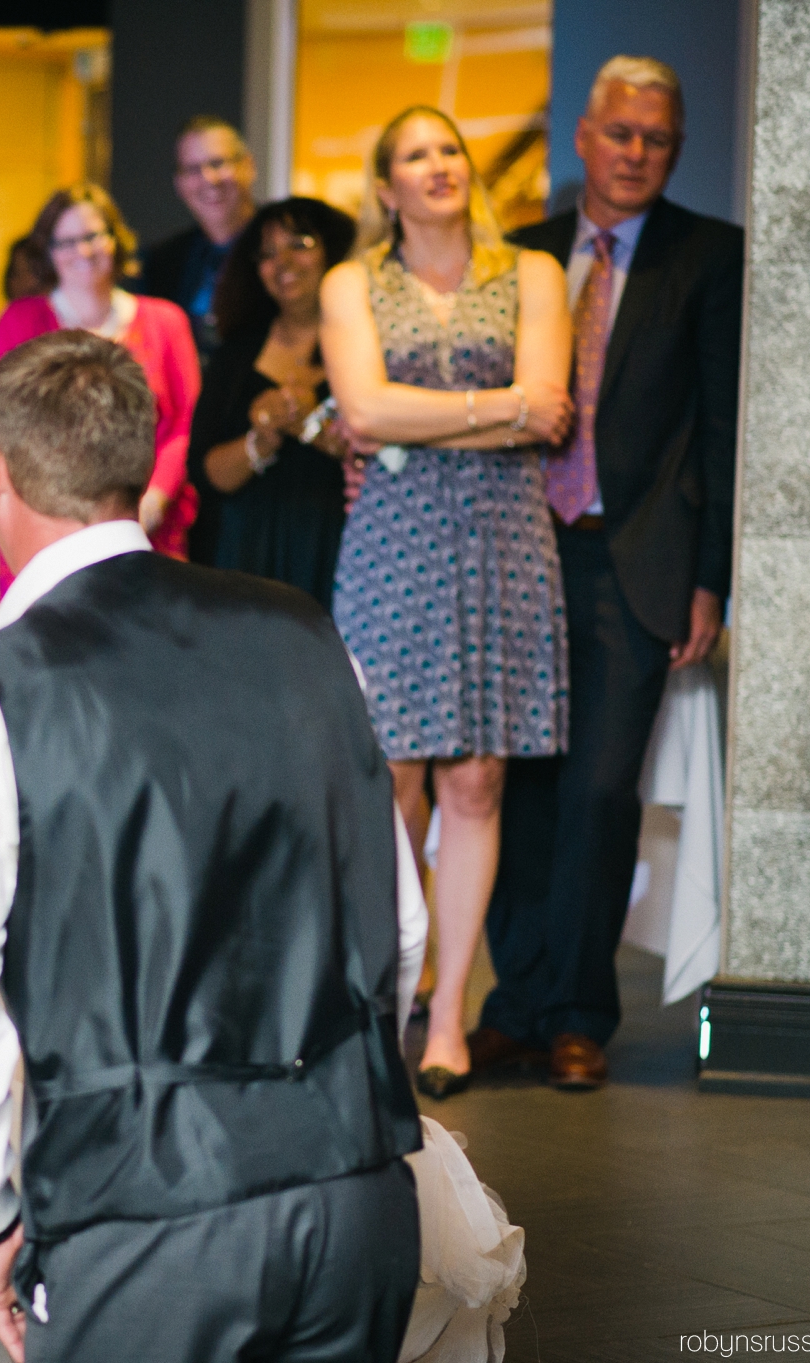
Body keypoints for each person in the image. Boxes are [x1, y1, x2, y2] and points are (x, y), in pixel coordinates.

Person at [0, 329, 523, 1362]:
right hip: (353, 1200)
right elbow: (396, 927)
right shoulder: (307, 637)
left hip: (138, 1217)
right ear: (139, 470)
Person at [475, 57, 744, 1092]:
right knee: (510, 786)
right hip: (513, 551)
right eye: (620, 133)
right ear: (580, 138)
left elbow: (720, 428)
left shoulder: (706, 258)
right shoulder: (521, 255)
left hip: (632, 562)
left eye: (657, 139)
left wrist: (708, 577)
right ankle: (514, 1004)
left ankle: (579, 1012)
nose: (636, 153)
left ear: (673, 150)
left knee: (595, 791)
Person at [319, 105, 576, 1097]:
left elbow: (549, 404)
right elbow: (360, 409)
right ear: (384, 187)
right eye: (414, 155)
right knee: (389, 781)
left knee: (475, 784)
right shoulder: (352, 283)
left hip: (503, 542)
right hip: (390, 546)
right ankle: (385, 992)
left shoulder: (533, 275)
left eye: (449, 151)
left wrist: (421, 425)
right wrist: (498, 408)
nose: (437, 166)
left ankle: (450, 1014)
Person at [0, 184, 200, 561]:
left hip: (150, 531)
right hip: (46, 534)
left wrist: (148, 505)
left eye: (91, 237)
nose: (81, 252)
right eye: (65, 242)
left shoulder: (166, 322)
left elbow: (186, 425)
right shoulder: (20, 321)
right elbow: (3, 427)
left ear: (114, 239)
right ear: (48, 252)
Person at [185, 196, 357, 607]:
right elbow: (206, 473)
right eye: (266, 253)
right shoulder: (235, 355)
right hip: (246, 555)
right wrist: (260, 441)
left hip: (339, 551)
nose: (283, 262)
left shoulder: (364, 347)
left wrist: (308, 423)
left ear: (330, 250)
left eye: (299, 244)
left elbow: (382, 454)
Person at [139, 115, 257, 364]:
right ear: (179, 184)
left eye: (217, 163)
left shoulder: (281, 252)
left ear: (248, 166)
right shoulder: (164, 261)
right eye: (193, 169)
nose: (208, 179)